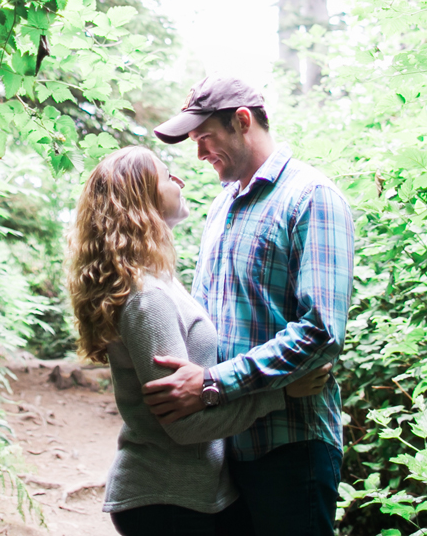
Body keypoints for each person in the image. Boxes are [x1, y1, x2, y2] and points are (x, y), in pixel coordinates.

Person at [69, 146, 332, 536]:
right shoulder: (148, 299)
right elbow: (183, 425)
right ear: (142, 198)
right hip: (165, 497)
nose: (180, 180)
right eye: (167, 175)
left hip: (188, 494)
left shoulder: (159, 282)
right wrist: (279, 394)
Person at [141, 77, 355, 536]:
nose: (198, 154)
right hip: (222, 447)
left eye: (205, 138)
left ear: (242, 121)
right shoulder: (223, 205)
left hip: (290, 446)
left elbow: (320, 333)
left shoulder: (311, 197)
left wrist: (213, 384)